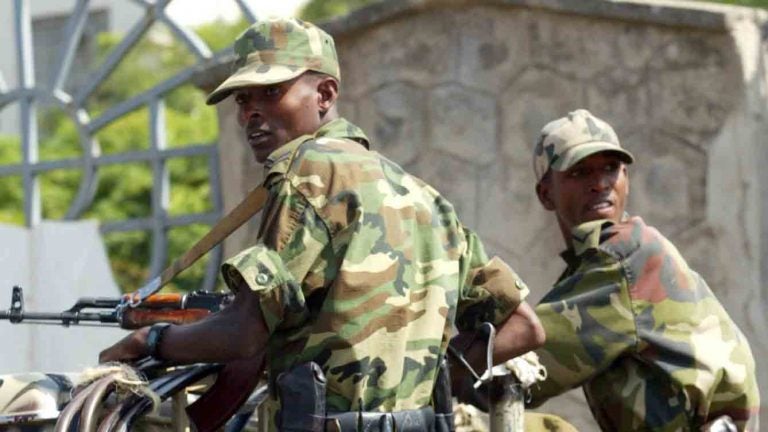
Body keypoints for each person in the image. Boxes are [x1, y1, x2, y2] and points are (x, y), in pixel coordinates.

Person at [99, 17, 545, 430]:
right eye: (243, 100)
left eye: (271, 92)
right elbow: (524, 326)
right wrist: (427, 386)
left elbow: (246, 331)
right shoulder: (424, 197)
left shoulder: (306, 171)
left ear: (325, 95)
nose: (251, 113)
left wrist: (151, 340)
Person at [526, 109, 760, 431]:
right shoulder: (595, 269)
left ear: (627, 179)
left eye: (611, 169)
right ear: (545, 193)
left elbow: (524, 362)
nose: (600, 184)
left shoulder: (624, 257)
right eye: (580, 172)